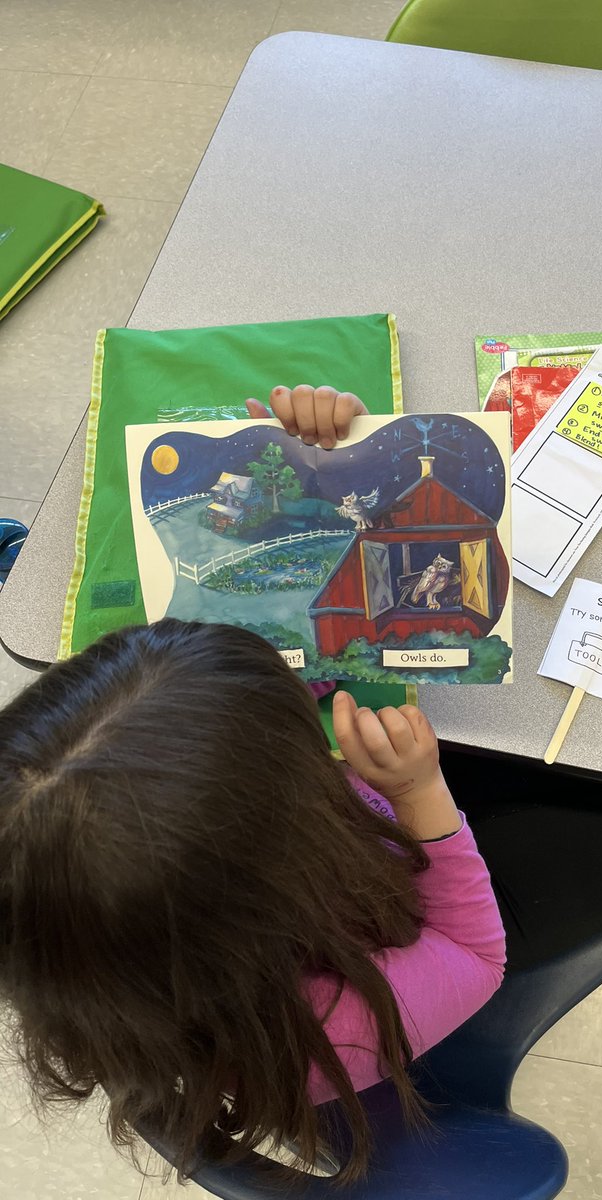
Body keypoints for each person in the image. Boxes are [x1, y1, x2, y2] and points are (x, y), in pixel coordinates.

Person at [0, 385, 505, 1185]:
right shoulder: (329, 1025)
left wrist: (284, 463)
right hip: (398, 932)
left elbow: (210, 701)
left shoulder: (81, 927)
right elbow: (478, 955)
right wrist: (419, 797)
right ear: (288, 844)